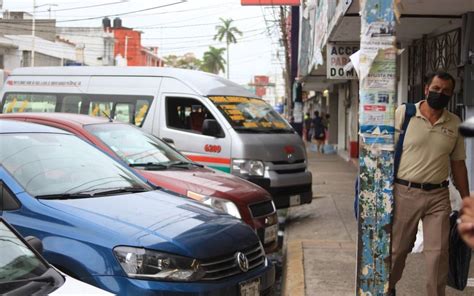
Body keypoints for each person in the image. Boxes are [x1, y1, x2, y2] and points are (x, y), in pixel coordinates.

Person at [389, 71, 470, 296]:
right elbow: (384, 152)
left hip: (438, 196)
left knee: (438, 254)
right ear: (426, 89)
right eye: (436, 89)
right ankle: (388, 288)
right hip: (405, 192)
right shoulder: (404, 113)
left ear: (451, 95)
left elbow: (458, 164)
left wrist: (466, 199)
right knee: (398, 251)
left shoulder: (454, 123)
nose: (440, 94)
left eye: (446, 91)